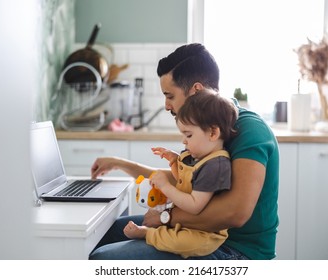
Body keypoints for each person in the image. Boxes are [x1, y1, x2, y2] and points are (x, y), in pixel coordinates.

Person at [89, 43, 279, 260]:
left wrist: (166, 217)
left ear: (196, 91)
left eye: (170, 95)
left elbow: (235, 213)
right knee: (104, 234)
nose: (167, 105)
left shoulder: (250, 131)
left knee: (105, 258)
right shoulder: (205, 126)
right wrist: (120, 164)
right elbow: (188, 180)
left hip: (237, 250)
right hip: (199, 233)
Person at [123, 90, 238, 258]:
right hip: (187, 222)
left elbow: (194, 204)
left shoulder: (215, 165)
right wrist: (175, 163)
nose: (184, 141)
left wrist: (165, 186)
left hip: (202, 233)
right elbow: (188, 184)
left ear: (213, 133)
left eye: (189, 135)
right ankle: (155, 230)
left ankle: (148, 234)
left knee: (182, 243)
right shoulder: (199, 156)